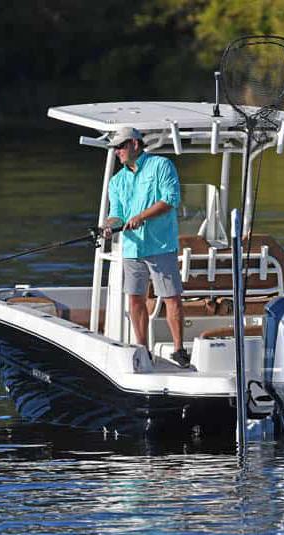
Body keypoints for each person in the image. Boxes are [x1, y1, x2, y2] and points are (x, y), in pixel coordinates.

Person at [105, 126, 191, 368]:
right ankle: (143, 349)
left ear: (134, 144)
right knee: (135, 299)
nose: (117, 152)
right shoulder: (116, 181)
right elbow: (117, 215)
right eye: (115, 148)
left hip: (160, 245)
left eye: (120, 146)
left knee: (171, 297)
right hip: (132, 249)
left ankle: (179, 350)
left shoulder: (161, 166)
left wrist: (142, 216)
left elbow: (170, 199)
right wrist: (108, 226)